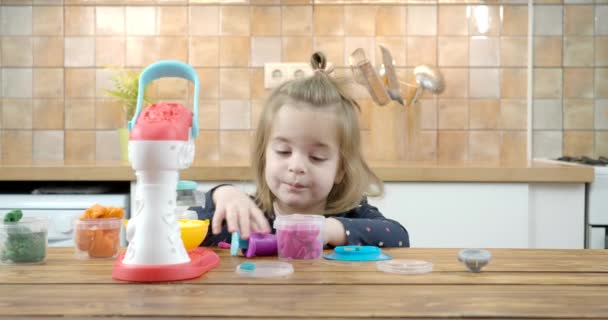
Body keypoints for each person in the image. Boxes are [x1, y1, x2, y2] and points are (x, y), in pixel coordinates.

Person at [194, 52, 409, 248]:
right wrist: (221, 194)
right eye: (283, 151)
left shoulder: (353, 214)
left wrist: (329, 230)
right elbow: (179, 229)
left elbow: (398, 237)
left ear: (340, 169)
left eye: (317, 157)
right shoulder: (248, 214)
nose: (296, 166)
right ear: (264, 156)